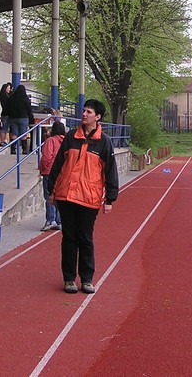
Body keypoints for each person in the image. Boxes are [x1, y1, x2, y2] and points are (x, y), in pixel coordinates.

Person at [47, 99, 119, 295]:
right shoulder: (71, 137)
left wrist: (110, 199)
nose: (84, 114)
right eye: (84, 111)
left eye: (89, 112)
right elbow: (58, 165)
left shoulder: (104, 142)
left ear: (98, 117)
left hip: (89, 198)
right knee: (69, 239)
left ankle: (86, 279)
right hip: (66, 197)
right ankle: (69, 279)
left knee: (85, 239)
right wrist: (51, 190)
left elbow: (110, 172)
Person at [39, 121, 65, 231]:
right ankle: (59, 221)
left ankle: (51, 220)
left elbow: (46, 157)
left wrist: (42, 168)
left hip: (49, 171)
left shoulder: (50, 141)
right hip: (62, 172)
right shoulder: (66, 141)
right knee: (59, 196)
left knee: (49, 196)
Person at [6, 84, 34, 154]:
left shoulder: (12, 98)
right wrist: (30, 118)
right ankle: (24, 150)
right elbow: (29, 109)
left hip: (13, 118)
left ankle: (13, 149)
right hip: (23, 118)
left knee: (14, 133)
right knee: (23, 134)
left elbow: (8, 108)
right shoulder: (25, 99)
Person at [0, 82, 12, 146]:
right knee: (5, 128)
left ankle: (4, 140)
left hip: (4, 113)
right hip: (6, 114)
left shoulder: (2, 96)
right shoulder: (5, 97)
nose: (9, 89)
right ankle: (3, 141)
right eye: (8, 88)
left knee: (5, 128)